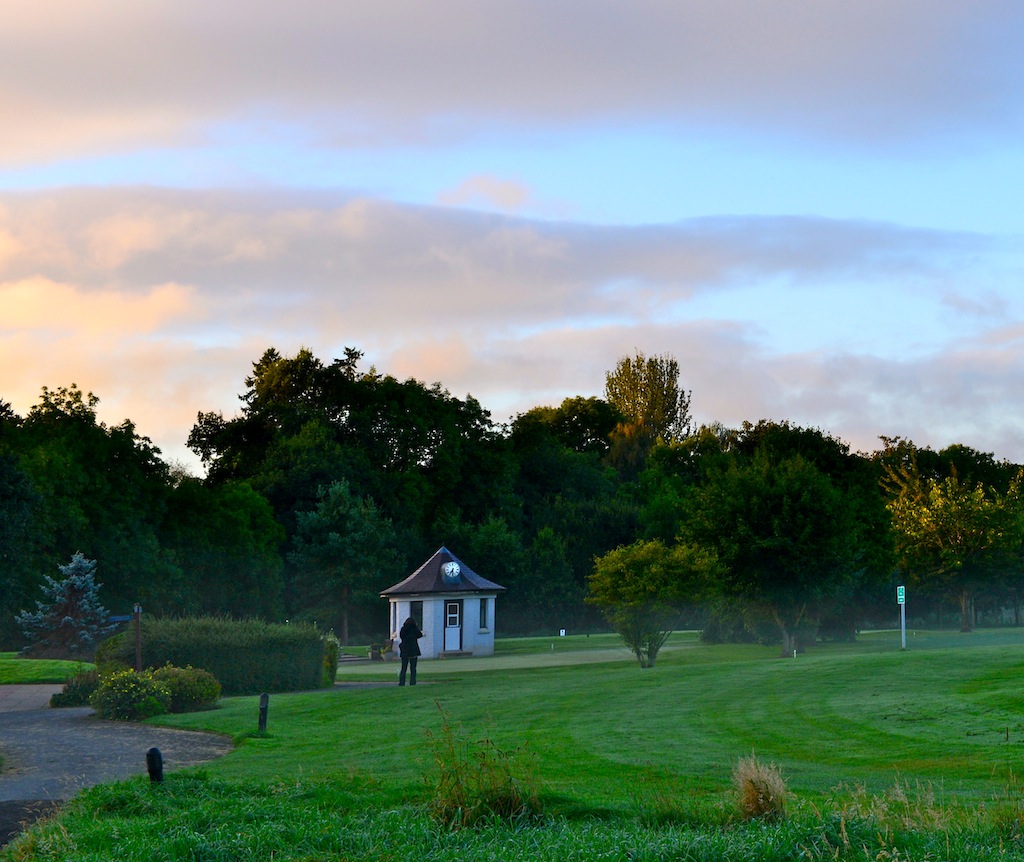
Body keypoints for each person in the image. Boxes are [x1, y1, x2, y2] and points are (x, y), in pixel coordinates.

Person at [398, 616, 423, 686]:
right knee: (413, 668)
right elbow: (420, 635)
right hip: (413, 650)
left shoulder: (403, 629)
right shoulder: (414, 629)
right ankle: (413, 682)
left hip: (405, 650)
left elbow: (401, 636)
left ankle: (402, 682)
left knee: (403, 668)